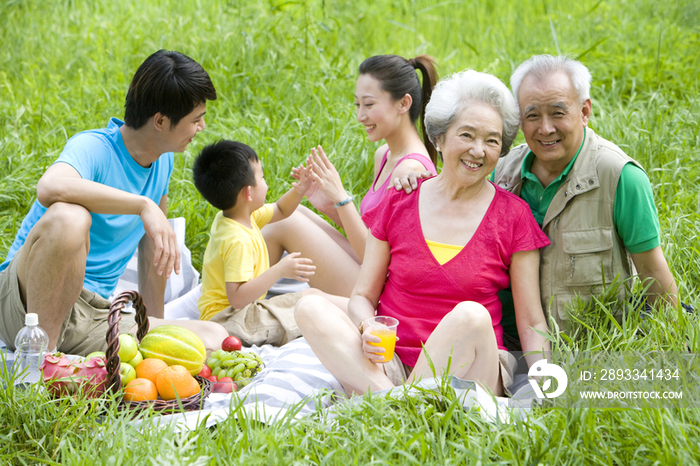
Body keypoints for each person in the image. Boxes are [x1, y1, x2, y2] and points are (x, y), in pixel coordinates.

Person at [295, 70, 551, 396]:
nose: (478, 150)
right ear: (439, 139)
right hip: (392, 363)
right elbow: (362, 297)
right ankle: (397, 403)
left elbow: (531, 322)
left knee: (471, 316)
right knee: (309, 306)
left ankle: (388, 404)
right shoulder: (401, 199)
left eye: (492, 140)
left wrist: (547, 384)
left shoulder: (514, 216)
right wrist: (368, 325)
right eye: (467, 135)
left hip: (470, 370)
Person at [0, 50, 229, 355]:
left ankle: (56, 353)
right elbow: (49, 186)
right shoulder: (93, 147)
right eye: (196, 120)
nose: (201, 128)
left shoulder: (163, 163)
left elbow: (153, 251)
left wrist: (153, 325)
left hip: (91, 314)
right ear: (160, 121)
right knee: (71, 219)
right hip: (25, 304)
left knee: (213, 337)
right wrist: (142, 205)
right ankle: (41, 363)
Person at [492, 54, 678, 334]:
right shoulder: (501, 173)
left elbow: (652, 272)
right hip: (510, 344)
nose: (545, 128)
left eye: (558, 112)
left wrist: (674, 351)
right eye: (532, 115)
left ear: (584, 112)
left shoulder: (620, 177)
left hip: (591, 349)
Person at [261, 54, 439, 297]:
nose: (360, 116)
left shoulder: (411, 171)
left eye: (369, 104)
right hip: (370, 271)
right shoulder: (385, 154)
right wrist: (330, 206)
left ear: (403, 104)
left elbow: (380, 260)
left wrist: (342, 198)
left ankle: (241, 305)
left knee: (285, 222)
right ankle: (244, 298)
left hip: (384, 293)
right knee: (292, 212)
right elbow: (374, 239)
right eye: (358, 105)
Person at [192, 140, 349, 346]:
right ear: (248, 192)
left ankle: (356, 314)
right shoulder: (238, 240)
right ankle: (362, 321)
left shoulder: (238, 216)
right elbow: (237, 298)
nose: (266, 182)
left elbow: (281, 210)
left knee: (312, 298)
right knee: (311, 306)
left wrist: (300, 189)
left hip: (242, 313)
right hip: (230, 321)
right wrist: (279, 270)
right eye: (262, 177)